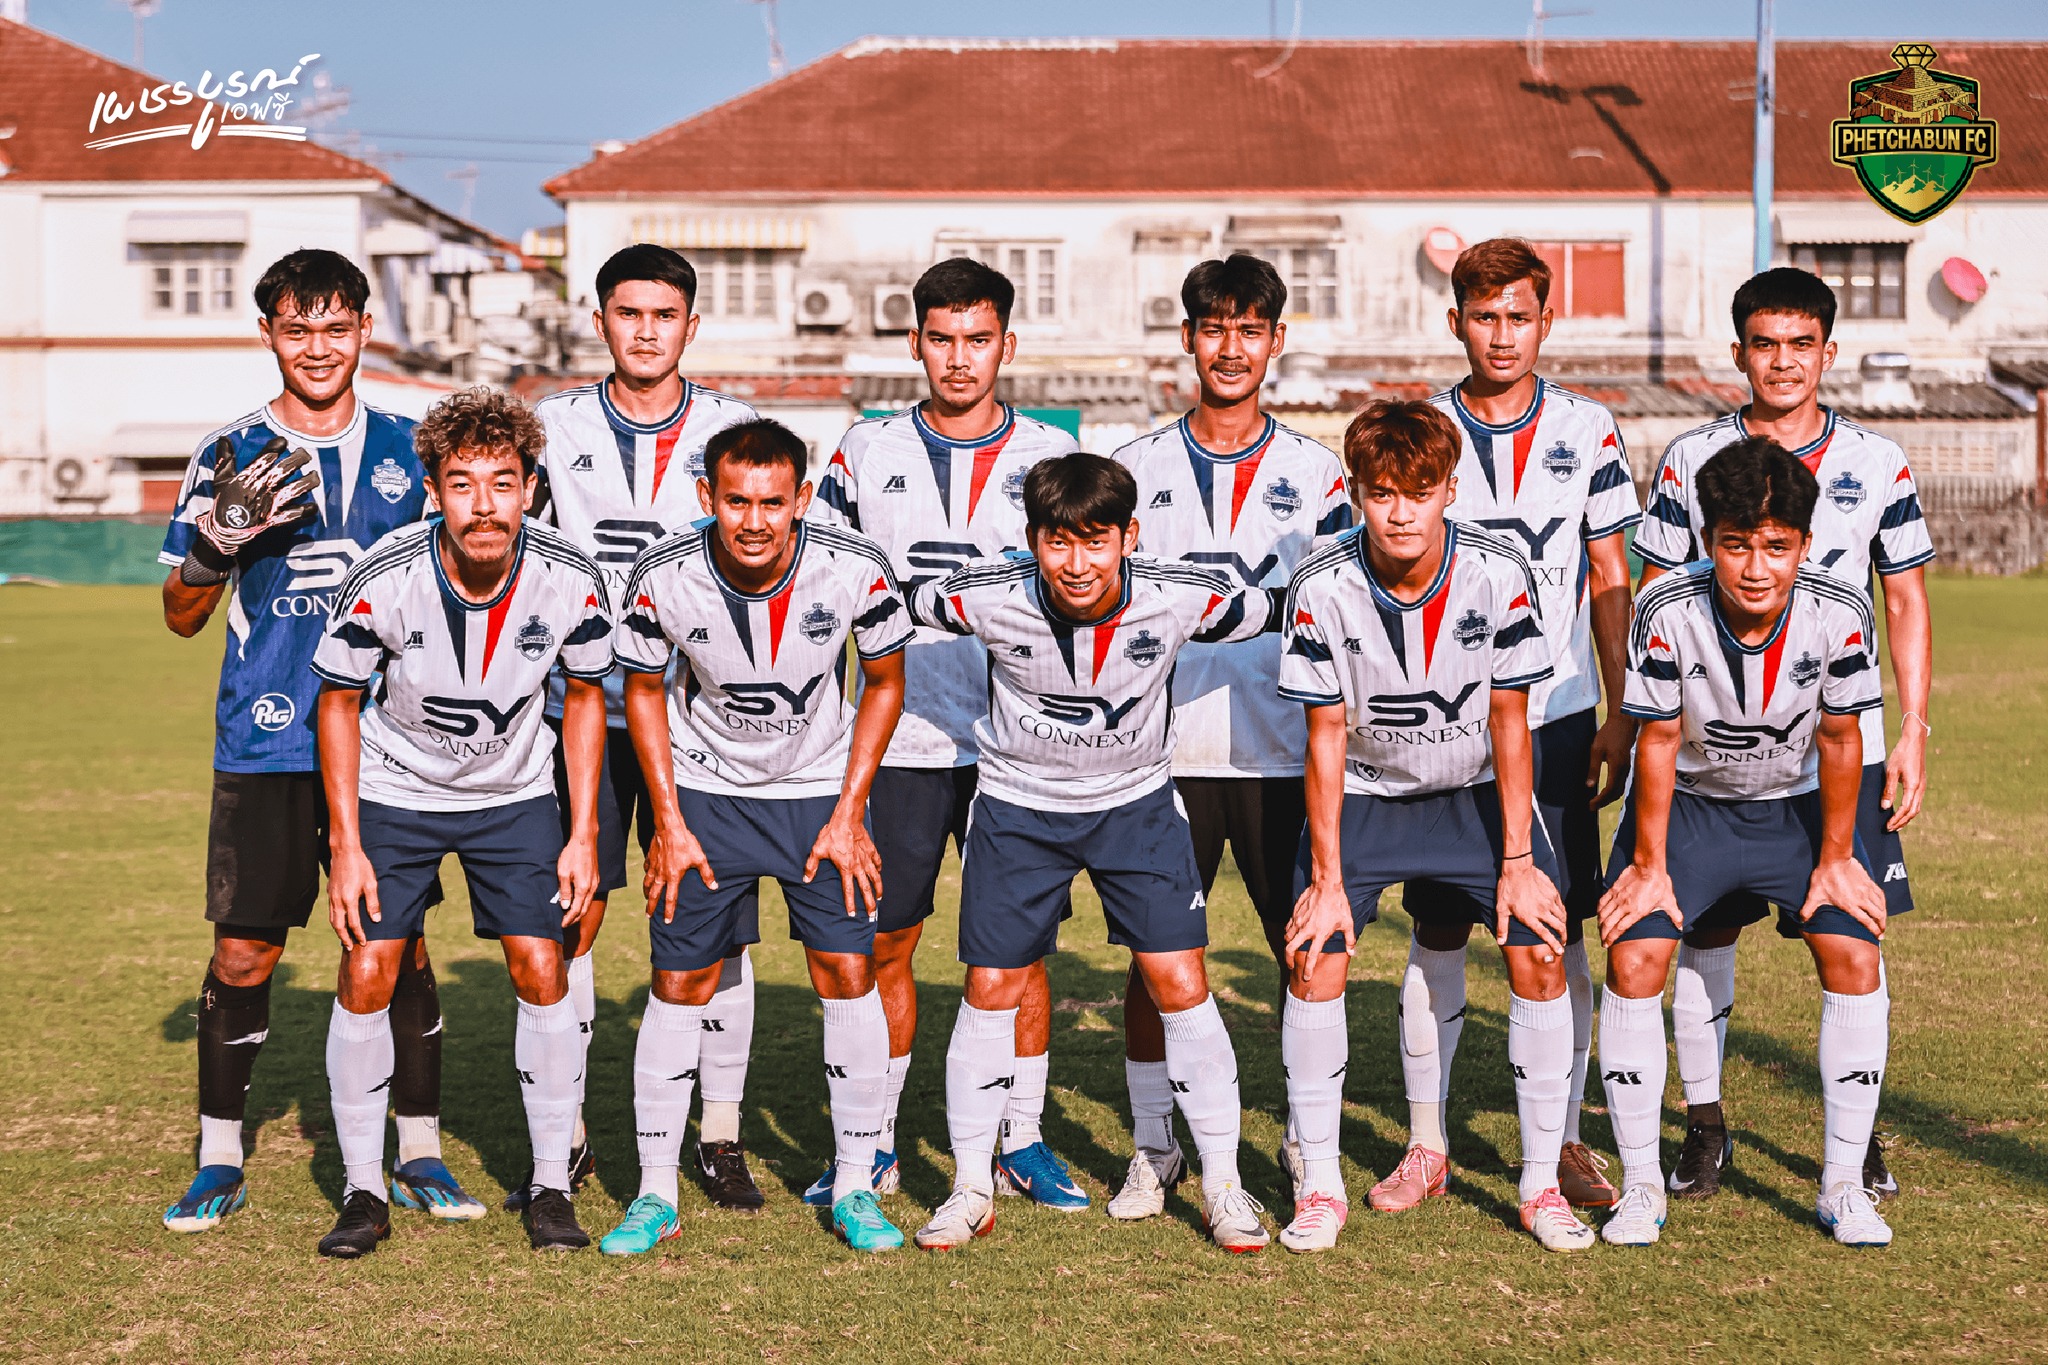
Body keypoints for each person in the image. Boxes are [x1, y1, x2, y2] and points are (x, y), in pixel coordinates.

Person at [156, 248, 470, 1233]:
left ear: (366, 329)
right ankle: (219, 1158)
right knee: (246, 951)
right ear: (269, 335)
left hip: (391, 745)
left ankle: (418, 1149)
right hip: (268, 742)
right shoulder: (228, 452)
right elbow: (179, 615)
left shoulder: (413, 448)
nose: (319, 347)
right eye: (298, 329)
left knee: (396, 946)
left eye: (336, 327)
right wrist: (216, 544)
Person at [905, 452, 1283, 1254]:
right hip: (1019, 808)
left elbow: (1286, 602)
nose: (1076, 563)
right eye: (1057, 541)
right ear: (1032, 540)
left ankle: (1221, 1184)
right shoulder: (985, 595)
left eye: (1096, 541)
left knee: (1179, 980)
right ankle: (970, 1185)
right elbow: (887, 595)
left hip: (1135, 807)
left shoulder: (1180, 596)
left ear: (1128, 537)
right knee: (991, 984)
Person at [1633, 267, 1933, 1201]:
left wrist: (1913, 726)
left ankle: (1856, 1135)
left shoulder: (1878, 459)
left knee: (1851, 932)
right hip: (1711, 749)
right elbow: (1654, 594)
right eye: (1765, 343)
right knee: (1703, 933)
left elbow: (1905, 597)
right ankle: (1705, 1125)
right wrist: (1633, 717)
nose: (1784, 361)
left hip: (1838, 741)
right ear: (1739, 353)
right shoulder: (1691, 458)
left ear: (1828, 353)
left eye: (1802, 344)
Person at [1278, 399, 1591, 1253]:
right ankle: (1320, 1184)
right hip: (1368, 797)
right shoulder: (1320, 584)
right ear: (1356, 492)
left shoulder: (1499, 572)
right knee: (1314, 954)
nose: (1400, 513)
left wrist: (1518, 859)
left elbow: (1511, 719)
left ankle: (1539, 1184)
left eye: (1419, 492)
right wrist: (1327, 880)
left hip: (1475, 793)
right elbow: (1325, 735)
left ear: (1451, 489)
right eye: (1382, 493)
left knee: (1539, 943)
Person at [310, 387, 614, 1256]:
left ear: (530, 488)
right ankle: (364, 1189)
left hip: (512, 792)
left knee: (542, 966)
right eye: (462, 483)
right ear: (433, 490)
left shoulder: (571, 576)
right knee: (369, 967)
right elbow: (337, 703)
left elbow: (584, 696)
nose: (484, 504)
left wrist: (583, 832)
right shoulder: (384, 574)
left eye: (503, 482)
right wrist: (347, 844)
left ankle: (552, 1185)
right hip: (397, 789)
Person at [809, 257, 1085, 1210]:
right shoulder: (864, 449)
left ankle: (1022, 1138)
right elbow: (821, 584)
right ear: (915, 342)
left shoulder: (1050, 452)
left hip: (1018, 742)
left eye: (978, 340)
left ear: (1008, 344)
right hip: (901, 744)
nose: (959, 359)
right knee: (888, 939)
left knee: (1021, 949)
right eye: (941, 339)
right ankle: (876, 1142)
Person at [606, 418, 913, 1255]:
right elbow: (643, 690)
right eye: (736, 500)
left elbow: (885, 682)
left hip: (817, 796)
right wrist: (668, 821)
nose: (753, 520)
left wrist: (850, 810)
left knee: (846, 970)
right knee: (681, 979)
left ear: (802, 498)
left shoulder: (854, 567)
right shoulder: (662, 574)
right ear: (706, 495)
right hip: (707, 794)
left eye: (772, 502)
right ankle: (654, 1192)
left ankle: (855, 1185)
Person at [1597, 435, 1896, 1249]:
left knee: (1854, 950)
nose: (1756, 568)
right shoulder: (1666, 608)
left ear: (1804, 543)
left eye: (1776, 546)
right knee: (1635, 953)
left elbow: (1841, 738)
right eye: (1736, 545)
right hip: (1692, 809)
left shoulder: (1841, 609)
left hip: (1794, 810)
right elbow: (1658, 741)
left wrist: (1837, 859)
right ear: (1708, 540)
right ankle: (1640, 1186)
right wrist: (1649, 867)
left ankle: (1843, 1185)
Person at [1396, 238, 1642, 1213]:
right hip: (1445, 724)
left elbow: (1610, 574)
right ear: (1454, 321)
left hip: (1556, 717)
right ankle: (1425, 1142)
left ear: (1547, 321)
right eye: (1484, 317)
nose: (1501, 335)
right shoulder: (1423, 428)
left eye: (1519, 316)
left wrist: (1620, 709)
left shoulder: (1588, 427)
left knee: (1556, 925)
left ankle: (1566, 1135)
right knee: (1438, 923)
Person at [1107, 253, 1353, 1220]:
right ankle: (1153, 1145)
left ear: (1277, 341)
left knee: (1305, 951)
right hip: (1163, 754)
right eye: (1214, 328)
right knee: (1156, 957)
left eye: (1250, 329)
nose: (1231, 347)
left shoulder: (1318, 473)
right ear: (1188, 338)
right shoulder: (1135, 468)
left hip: (1284, 752)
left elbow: (1342, 607)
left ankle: (1303, 1138)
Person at [529, 243, 764, 1210]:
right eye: (628, 313)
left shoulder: (734, 428)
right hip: (575, 707)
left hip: (696, 719)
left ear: (690, 326)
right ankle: (571, 1133)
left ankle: (720, 1134)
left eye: (664, 315)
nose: (646, 331)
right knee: (572, 913)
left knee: (716, 927)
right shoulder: (551, 425)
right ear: (600, 322)